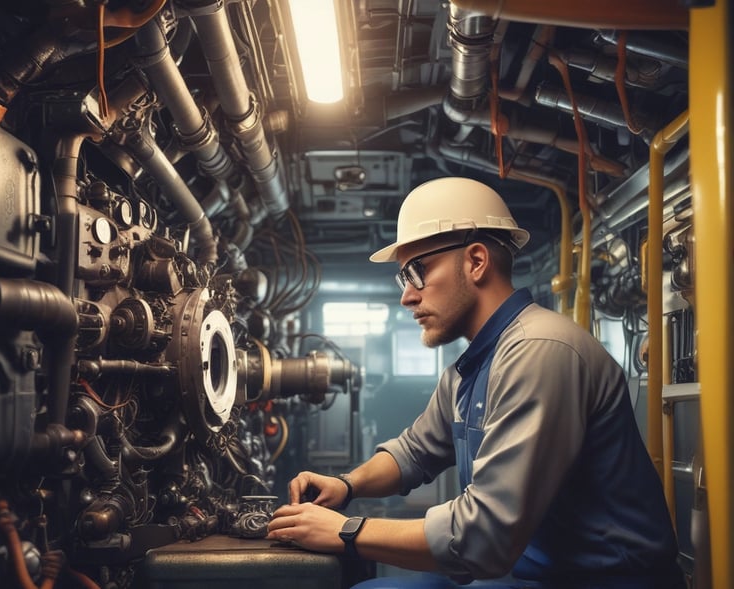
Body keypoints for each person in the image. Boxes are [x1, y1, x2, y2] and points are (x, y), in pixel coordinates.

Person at [267, 177, 684, 588]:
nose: (407, 296)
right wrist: (346, 485)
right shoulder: (472, 367)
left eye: (417, 271)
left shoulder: (539, 351)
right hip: (537, 573)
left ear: (476, 261)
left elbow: (482, 537)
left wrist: (346, 531)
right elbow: (415, 452)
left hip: (606, 580)